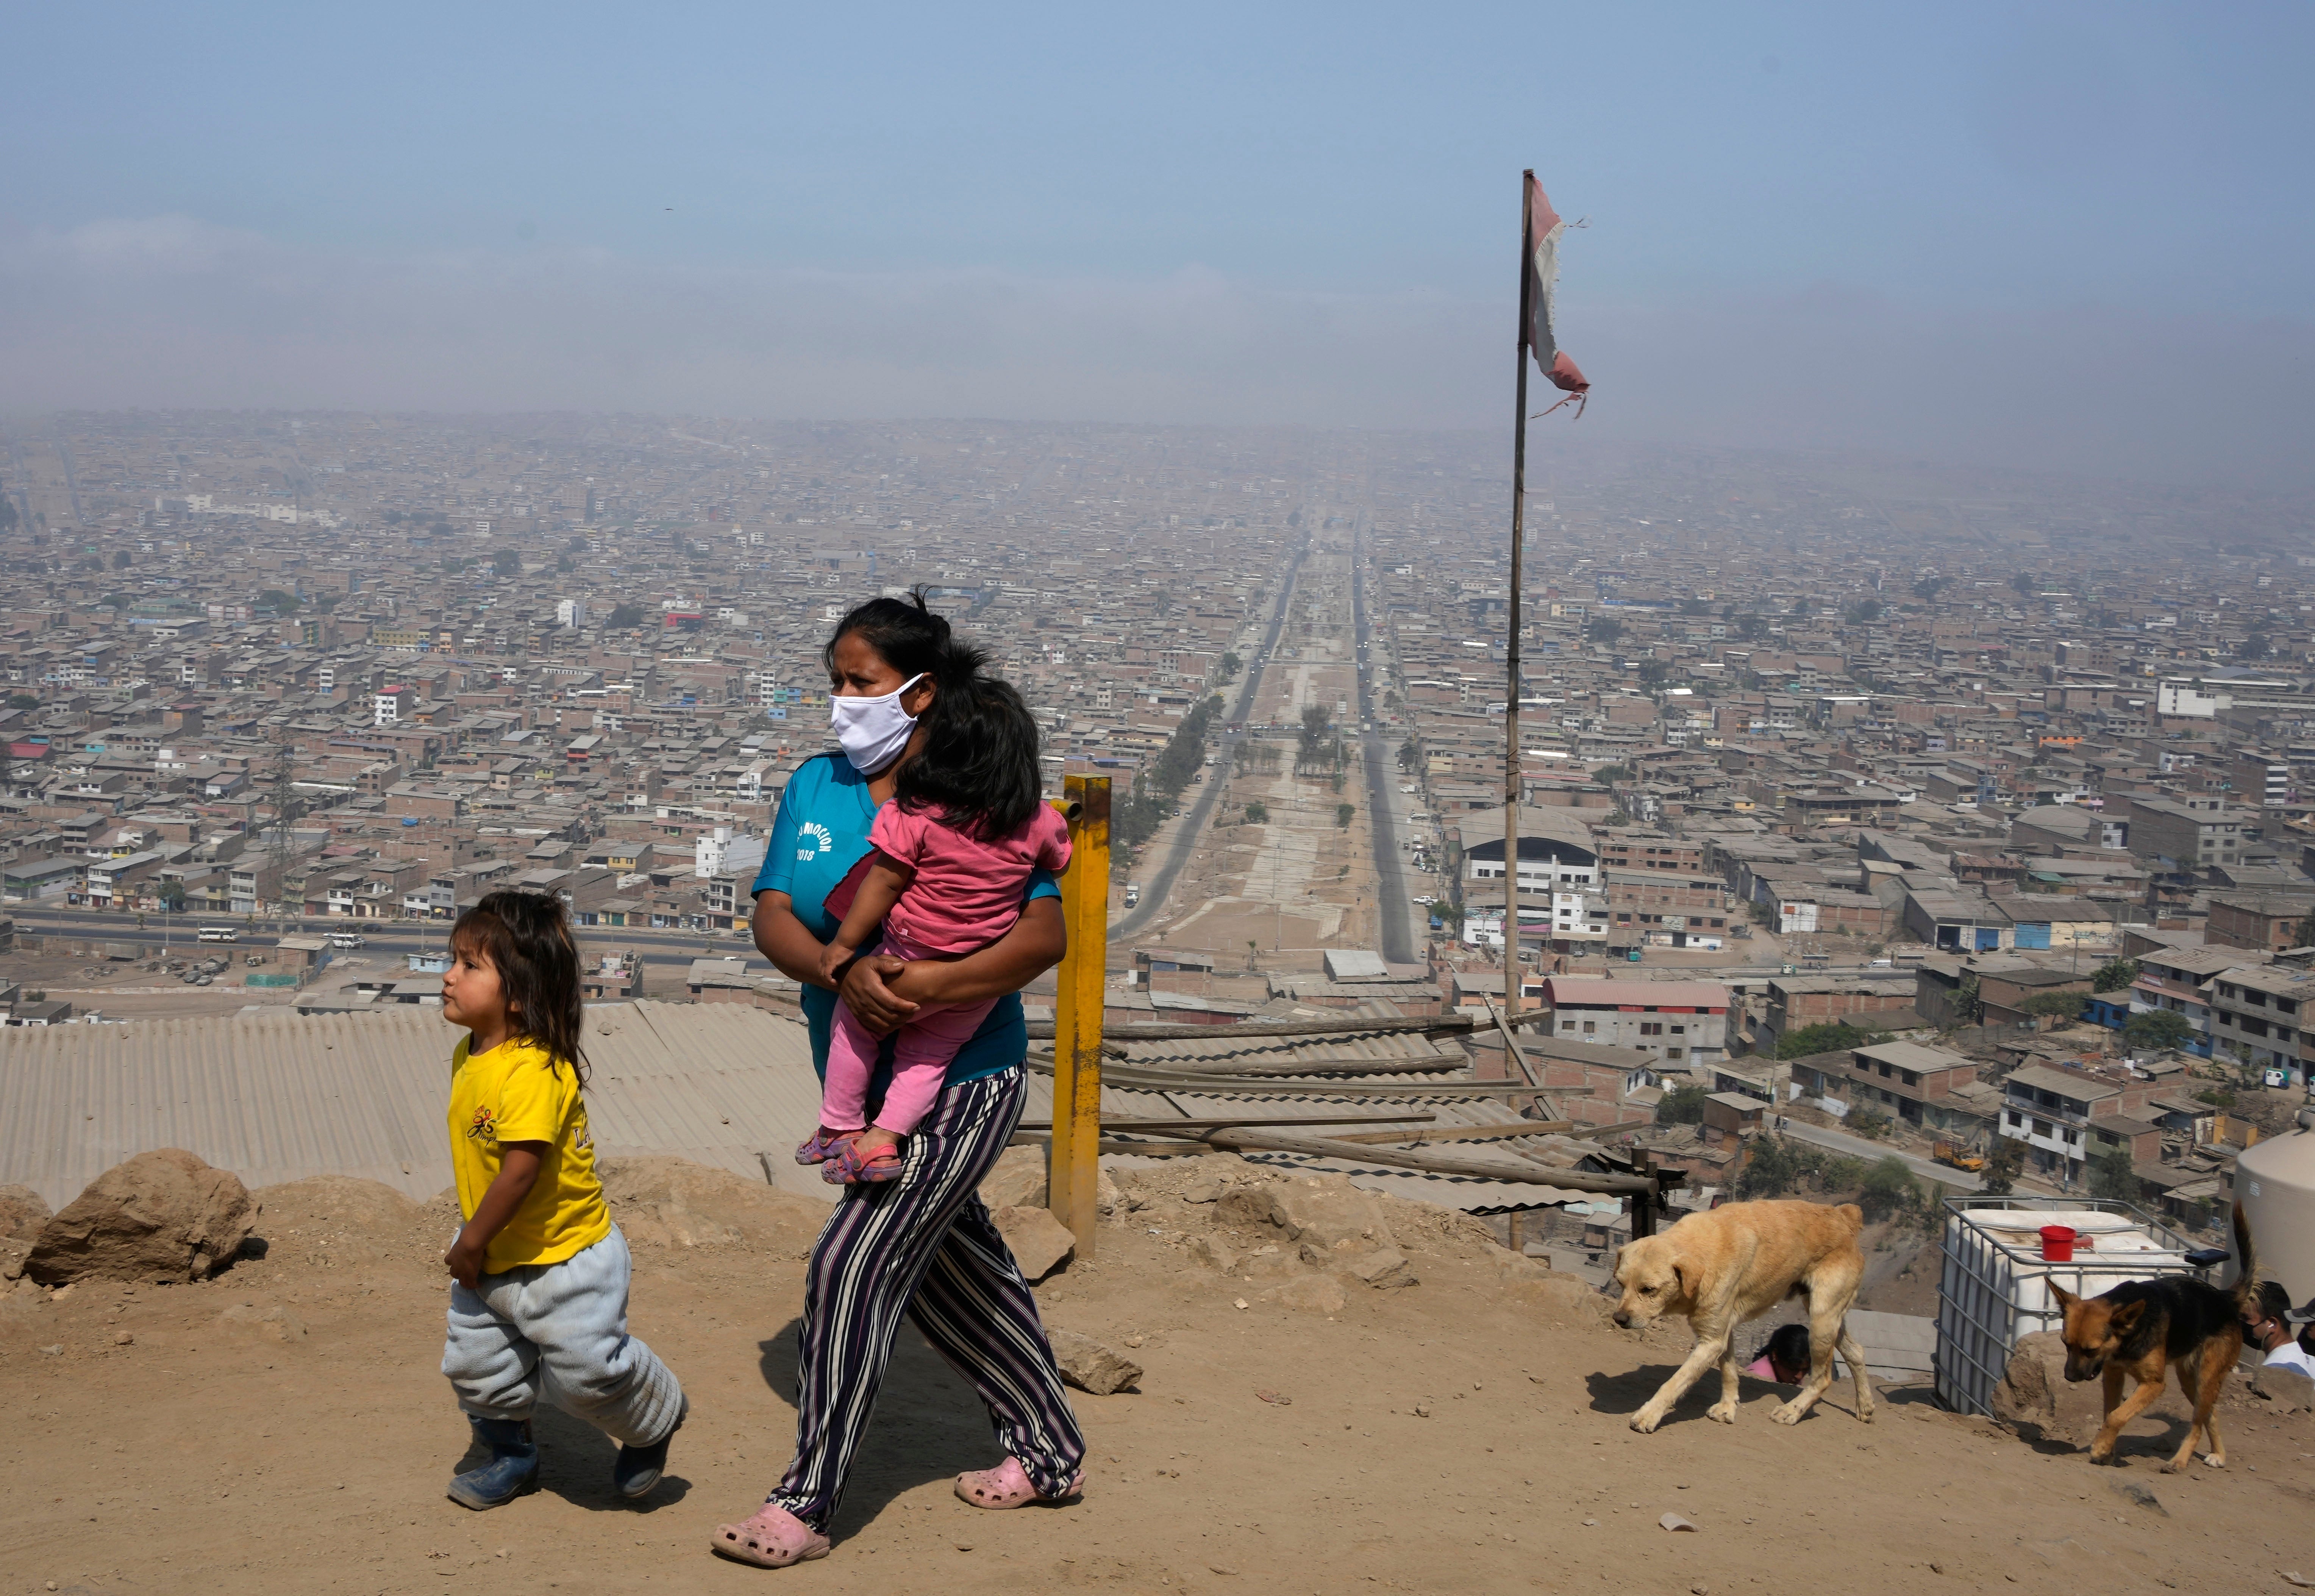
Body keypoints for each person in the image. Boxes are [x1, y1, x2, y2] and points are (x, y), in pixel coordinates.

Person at [713, 591, 1086, 1570]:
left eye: (860, 681)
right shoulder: (817, 785)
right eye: (835, 679)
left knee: (853, 1260)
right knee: (957, 1269)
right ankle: (1049, 1449)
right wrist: (845, 972)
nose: (842, 699)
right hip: (858, 1082)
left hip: (965, 1075)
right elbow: (773, 915)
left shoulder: (976, 782)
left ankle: (804, 1501)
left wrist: (916, 985)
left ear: (920, 694)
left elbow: (1044, 933)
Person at [436, 889, 686, 1509]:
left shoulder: (536, 1070)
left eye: (470, 966)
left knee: (586, 1377)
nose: (449, 976)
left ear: (519, 995)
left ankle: (656, 1414)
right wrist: (480, 1245)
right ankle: (513, 1459)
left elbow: (520, 1173)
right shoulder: (470, 1055)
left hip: (567, 1257)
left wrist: (469, 1244)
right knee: (477, 1370)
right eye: (454, 960)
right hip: (496, 1251)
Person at [800, 670, 1072, 1184]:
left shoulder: (915, 813)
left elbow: (882, 881)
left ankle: (839, 1126)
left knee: (854, 1027)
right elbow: (1058, 861)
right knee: (926, 1058)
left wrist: (844, 944)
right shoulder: (1035, 820)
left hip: (903, 962)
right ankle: (882, 1143)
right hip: (973, 981)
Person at [2243, 1280, 2315, 1377]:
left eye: (2247, 1318)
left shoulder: (2276, 1371)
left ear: (2272, 1324)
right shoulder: (2305, 1357)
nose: (2242, 1324)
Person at [1745, 1322, 1814, 1385]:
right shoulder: (1759, 1379)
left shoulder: (1786, 1378)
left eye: (1805, 1369)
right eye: (1793, 1369)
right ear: (1775, 1355)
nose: (1800, 1377)